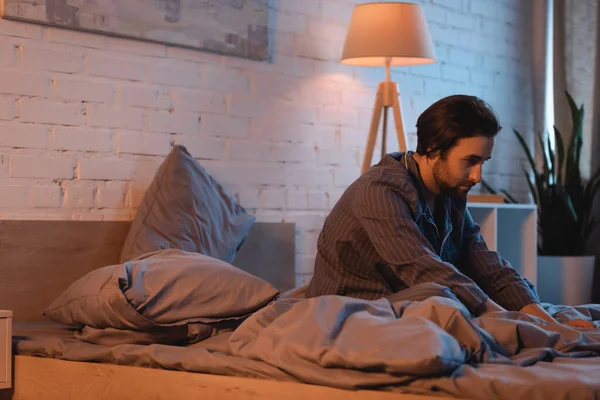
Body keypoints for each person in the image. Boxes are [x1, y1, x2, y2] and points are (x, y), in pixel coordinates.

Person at [306, 94, 593, 329]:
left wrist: (541, 317)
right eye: (470, 161)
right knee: (444, 292)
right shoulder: (379, 191)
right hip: (352, 312)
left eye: (483, 161)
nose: (477, 176)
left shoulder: (449, 192)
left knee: (476, 290)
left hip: (404, 305)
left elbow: (485, 261)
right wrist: (505, 320)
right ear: (433, 148)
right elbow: (425, 270)